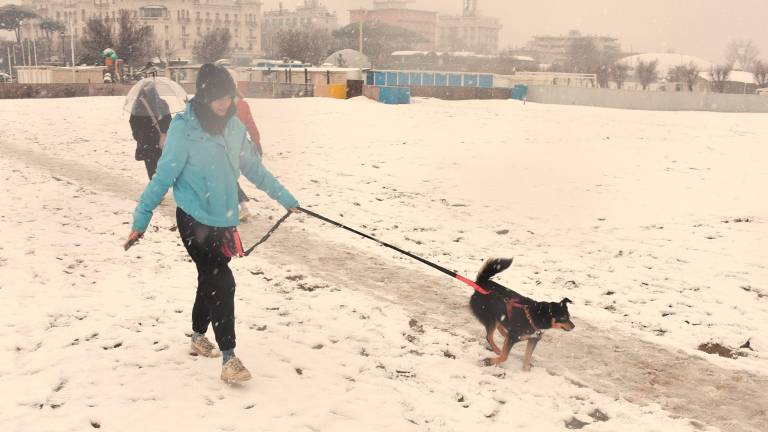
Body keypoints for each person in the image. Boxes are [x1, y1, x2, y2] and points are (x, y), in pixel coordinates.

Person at [125, 63, 300, 383]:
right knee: (222, 281)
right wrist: (142, 217)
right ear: (204, 97)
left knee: (210, 280)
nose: (225, 104)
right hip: (193, 218)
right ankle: (229, 358)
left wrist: (287, 199)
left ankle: (196, 334)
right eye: (219, 98)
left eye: (229, 98)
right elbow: (163, 176)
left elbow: (254, 169)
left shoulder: (234, 127)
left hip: (223, 220)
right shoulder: (184, 129)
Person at [129, 83, 172, 179]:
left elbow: (133, 123)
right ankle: (161, 186)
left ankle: (155, 188)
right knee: (162, 170)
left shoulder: (138, 106)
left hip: (147, 144)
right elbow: (169, 121)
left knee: (152, 172)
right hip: (161, 143)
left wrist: (139, 137)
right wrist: (163, 133)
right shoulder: (162, 104)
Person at [233, 86, 264, 221]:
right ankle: (241, 206)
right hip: (241, 145)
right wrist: (256, 142)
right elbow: (250, 124)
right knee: (229, 177)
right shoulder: (242, 104)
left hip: (228, 147)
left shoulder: (221, 104)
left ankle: (242, 206)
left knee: (227, 176)